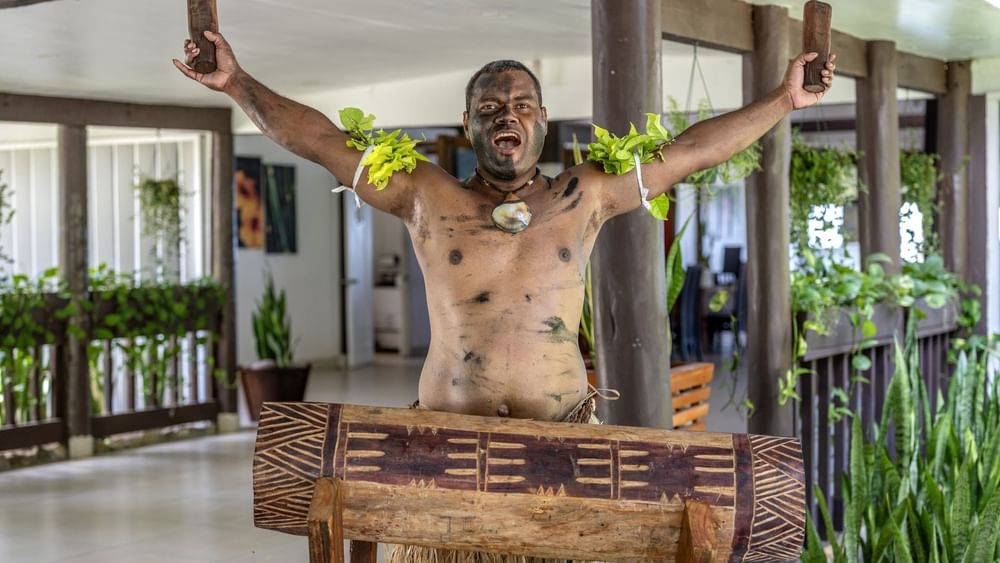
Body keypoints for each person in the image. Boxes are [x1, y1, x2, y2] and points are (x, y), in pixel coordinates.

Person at [175, 32, 834, 425]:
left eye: (520, 105)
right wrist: (236, 83)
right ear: (469, 126)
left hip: (564, 442)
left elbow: (692, 150)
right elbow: (321, 140)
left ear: (542, 119)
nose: (504, 116)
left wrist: (783, 99)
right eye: (488, 108)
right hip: (446, 440)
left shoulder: (585, 195)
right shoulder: (424, 196)